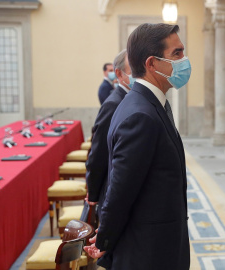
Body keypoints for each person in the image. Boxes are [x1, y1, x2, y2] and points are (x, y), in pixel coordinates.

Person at [84, 23, 191, 270]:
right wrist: (104, 239)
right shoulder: (140, 114)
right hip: (148, 252)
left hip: (158, 244)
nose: (184, 61)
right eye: (177, 54)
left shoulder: (149, 103)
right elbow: (121, 188)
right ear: (152, 64)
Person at [85, 49, 134, 218]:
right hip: (110, 187)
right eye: (133, 70)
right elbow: (98, 152)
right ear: (119, 74)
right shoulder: (113, 103)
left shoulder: (130, 98)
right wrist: (93, 195)